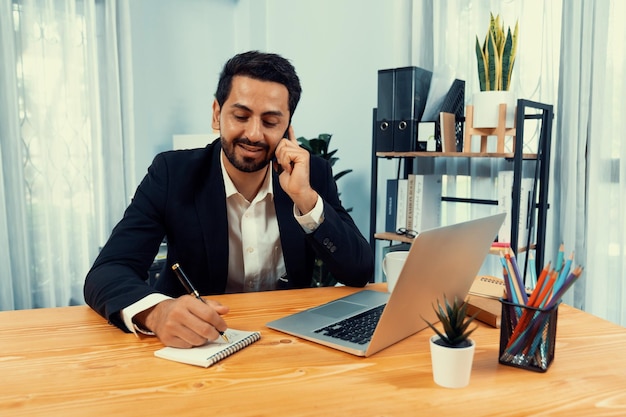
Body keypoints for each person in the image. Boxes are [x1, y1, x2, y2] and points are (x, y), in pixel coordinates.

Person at [84, 50, 374, 348]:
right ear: (216, 114)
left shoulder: (311, 175)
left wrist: (305, 199)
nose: (254, 134)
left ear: (288, 128)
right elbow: (109, 271)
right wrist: (157, 314)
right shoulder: (172, 173)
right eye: (241, 116)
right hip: (196, 344)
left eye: (271, 121)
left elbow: (359, 271)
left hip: (284, 344)